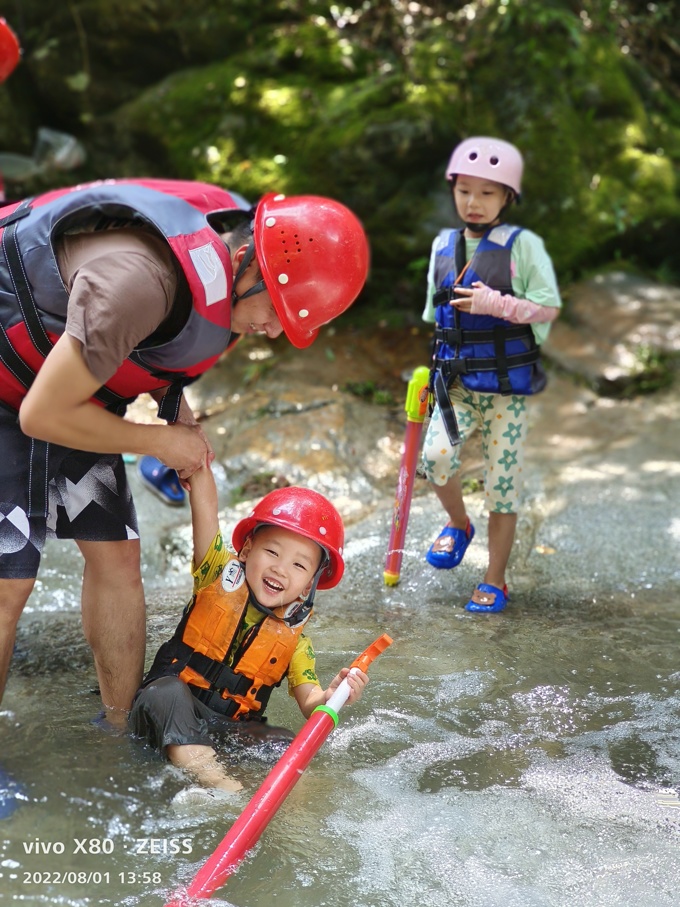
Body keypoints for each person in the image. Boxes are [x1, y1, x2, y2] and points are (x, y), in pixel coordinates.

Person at [0, 178, 370, 723]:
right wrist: (158, 441)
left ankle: (121, 728)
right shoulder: (138, 283)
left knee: (117, 556)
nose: (274, 332)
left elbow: (158, 351)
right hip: (23, 393)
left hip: (74, 393)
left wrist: (181, 421)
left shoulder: (227, 265)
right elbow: (41, 415)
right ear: (247, 263)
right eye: (277, 310)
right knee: (10, 581)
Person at [128, 466, 368, 795]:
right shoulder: (214, 573)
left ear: (308, 586)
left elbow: (311, 703)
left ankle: (292, 806)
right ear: (246, 549)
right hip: (164, 710)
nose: (280, 569)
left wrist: (333, 696)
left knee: (284, 744)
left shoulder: (296, 642)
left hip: (227, 730)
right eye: (272, 552)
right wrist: (198, 470)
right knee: (167, 692)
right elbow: (206, 512)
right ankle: (222, 786)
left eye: (299, 565)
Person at [422, 136, 561, 613]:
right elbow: (436, 320)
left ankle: (495, 578)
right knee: (436, 458)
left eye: (487, 192)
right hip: (455, 384)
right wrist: (426, 378)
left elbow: (548, 308)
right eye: (464, 190)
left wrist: (497, 304)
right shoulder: (443, 245)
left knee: (503, 485)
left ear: (507, 197)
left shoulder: (524, 246)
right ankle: (458, 523)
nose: (473, 202)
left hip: (505, 389)